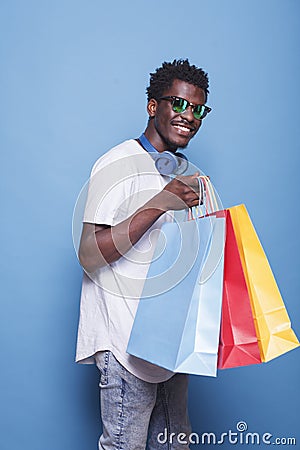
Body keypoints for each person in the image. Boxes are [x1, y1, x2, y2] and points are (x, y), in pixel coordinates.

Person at [76, 59, 211, 450]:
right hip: (124, 344)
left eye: (198, 109)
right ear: (153, 106)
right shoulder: (117, 164)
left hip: (171, 343)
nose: (189, 116)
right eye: (179, 104)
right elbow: (89, 254)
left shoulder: (183, 172)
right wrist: (160, 203)